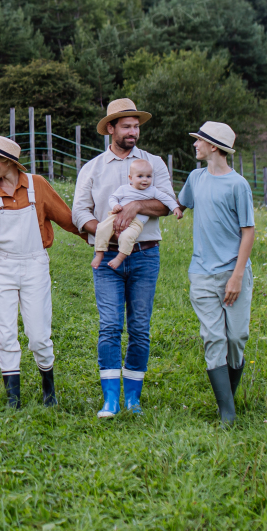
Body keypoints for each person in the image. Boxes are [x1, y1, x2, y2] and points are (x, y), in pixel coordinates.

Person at [0, 136, 84, 409]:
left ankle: (49, 391)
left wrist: (94, 236)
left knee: (39, 334)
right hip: (2, 267)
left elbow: (67, 218)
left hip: (34, 265)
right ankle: (13, 399)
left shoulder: (37, 186)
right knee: (6, 335)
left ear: (9, 162)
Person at [72, 98, 175, 418]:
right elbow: (79, 212)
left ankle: (133, 398)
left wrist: (136, 207)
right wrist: (105, 232)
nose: (133, 132)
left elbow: (166, 204)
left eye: (136, 126)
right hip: (107, 260)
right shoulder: (93, 168)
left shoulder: (153, 163)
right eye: (127, 126)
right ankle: (110, 399)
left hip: (145, 255)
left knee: (140, 328)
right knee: (110, 326)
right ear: (111, 129)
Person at [178, 121, 256, 426]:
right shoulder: (195, 179)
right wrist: (174, 208)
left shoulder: (238, 185)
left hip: (233, 272)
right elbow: (181, 202)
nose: (195, 145)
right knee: (213, 338)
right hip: (201, 274)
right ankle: (227, 412)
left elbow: (247, 233)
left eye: (199, 141)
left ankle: (229, 397)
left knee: (236, 337)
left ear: (213, 146)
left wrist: (237, 276)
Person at [89, 159, 181, 271]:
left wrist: (175, 208)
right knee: (102, 228)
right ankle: (99, 253)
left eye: (148, 176)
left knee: (127, 237)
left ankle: (120, 257)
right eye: (140, 176)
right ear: (130, 178)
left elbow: (166, 199)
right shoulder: (124, 189)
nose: (145, 180)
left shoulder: (153, 191)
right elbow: (113, 198)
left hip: (137, 223)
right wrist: (115, 205)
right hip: (116, 216)